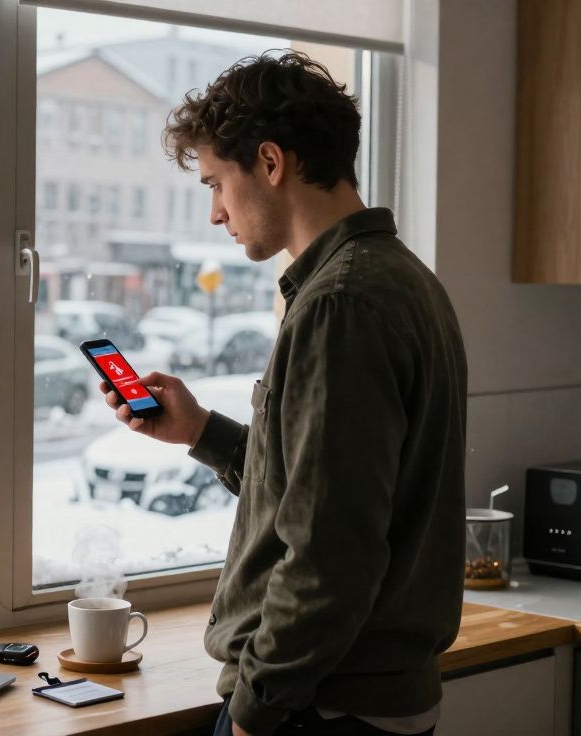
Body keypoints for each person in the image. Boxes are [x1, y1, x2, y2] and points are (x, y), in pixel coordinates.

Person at [101, 52, 467, 736]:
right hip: (359, 698)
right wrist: (200, 431)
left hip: (321, 707)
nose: (215, 213)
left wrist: (255, 710)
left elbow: (331, 552)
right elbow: (317, 490)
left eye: (217, 183)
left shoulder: (340, 305)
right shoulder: (403, 278)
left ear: (271, 162)